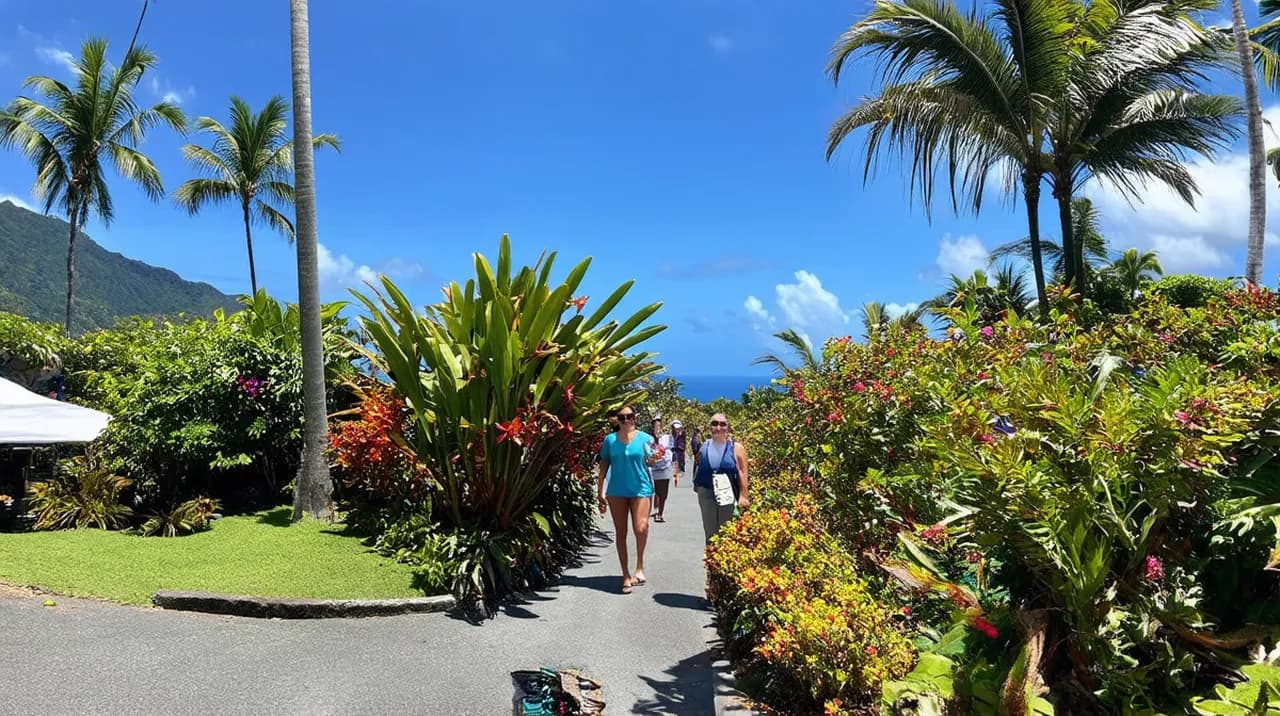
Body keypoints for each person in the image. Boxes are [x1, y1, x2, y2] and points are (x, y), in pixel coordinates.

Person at [597, 405, 659, 594]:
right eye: (621, 417)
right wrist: (600, 490)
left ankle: (639, 565)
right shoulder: (609, 440)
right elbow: (604, 464)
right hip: (617, 490)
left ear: (635, 418)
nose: (625, 421)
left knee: (641, 528)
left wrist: (655, 458)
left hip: (641, 488)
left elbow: (652, 460)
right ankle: (625, 574)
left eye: (629, 416)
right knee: (621, 532)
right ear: (617, 419)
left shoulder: (645, 439)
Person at [692, 412, 749, 544]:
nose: (718, 427)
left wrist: (744, 495)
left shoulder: (736, 448)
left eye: (722, 424)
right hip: (706, 492)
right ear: (710, 427)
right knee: (710, 533)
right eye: (714, 424)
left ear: (728, 428)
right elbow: (699, 465)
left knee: (727, 531)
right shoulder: (704, 446)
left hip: (728, 493)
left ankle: (726, 563)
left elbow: (743, 471)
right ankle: (711, 562)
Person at [648, 417, 675, 522]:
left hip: (665, 468)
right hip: (653, 468)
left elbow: (672, 450)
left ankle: (660, 513)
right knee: (655, 491)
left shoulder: (667, 438)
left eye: (659, 425)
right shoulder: (649, 438)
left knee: (663, 492)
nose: (657, 428)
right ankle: (652, 508)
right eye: (655, 426)